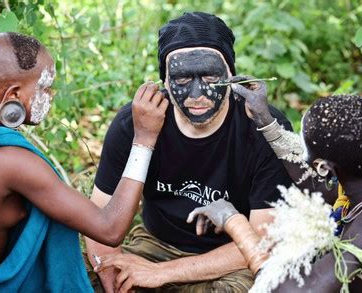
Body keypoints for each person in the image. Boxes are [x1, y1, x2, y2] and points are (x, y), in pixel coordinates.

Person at [0, 32, 168, 291]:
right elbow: (110, 228)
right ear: (13, 94)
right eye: (44, 87)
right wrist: (144, 139)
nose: (51, 95)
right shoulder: (10, 161)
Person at [88, 12, 294, 292]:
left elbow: (262, 239)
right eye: (183, 78)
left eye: (210, 76)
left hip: (234, 257)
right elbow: (100, 216)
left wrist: (161, 273)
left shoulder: (262, 125)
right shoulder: (136, 122)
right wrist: (111, 272)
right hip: (156, 243)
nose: (198, 93)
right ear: (165, 82)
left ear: (231, 75)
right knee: (80, 274)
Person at [186, 94, 362, 292]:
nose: (297, 148)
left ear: (323, 168)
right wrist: (266, 122)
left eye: (302, 146)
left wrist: (234, 222)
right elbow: (317, 187)